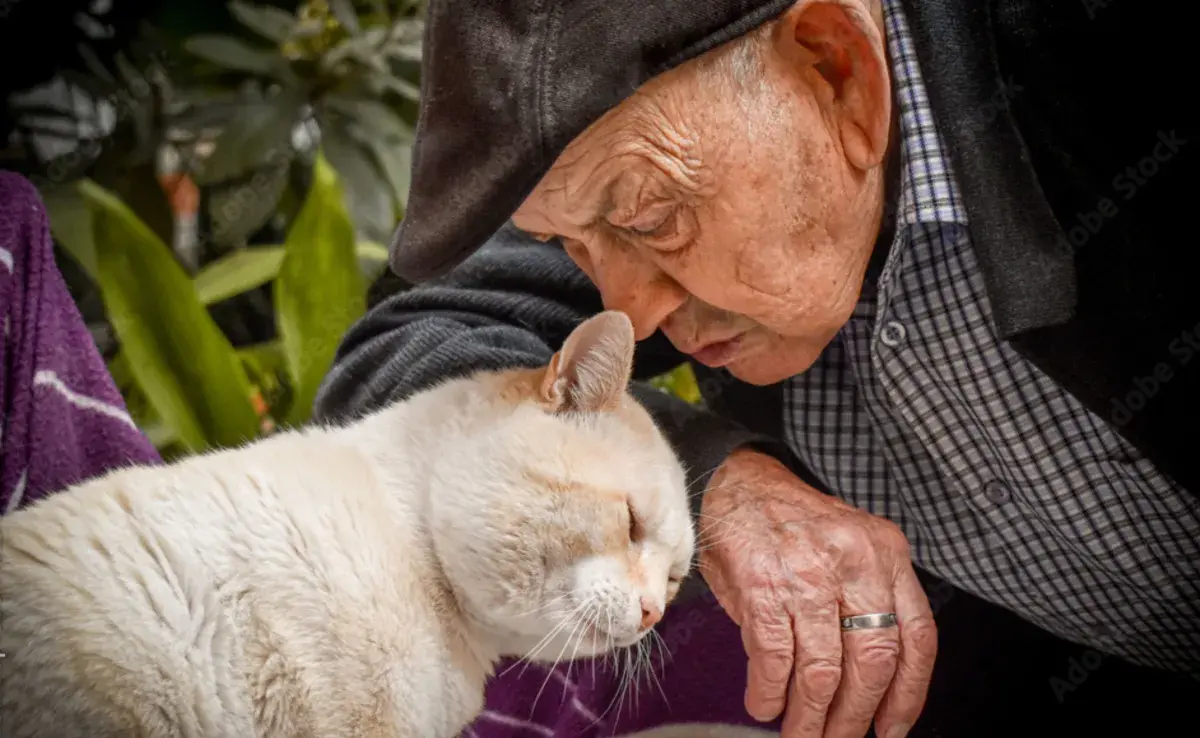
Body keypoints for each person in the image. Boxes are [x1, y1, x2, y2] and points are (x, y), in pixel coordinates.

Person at [313, 0, 1200, 736]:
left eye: (652, 218)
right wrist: (710, 482)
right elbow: (411, 358)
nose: (628, 305)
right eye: (571, 246)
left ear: (837, 71)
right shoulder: (624, 150)